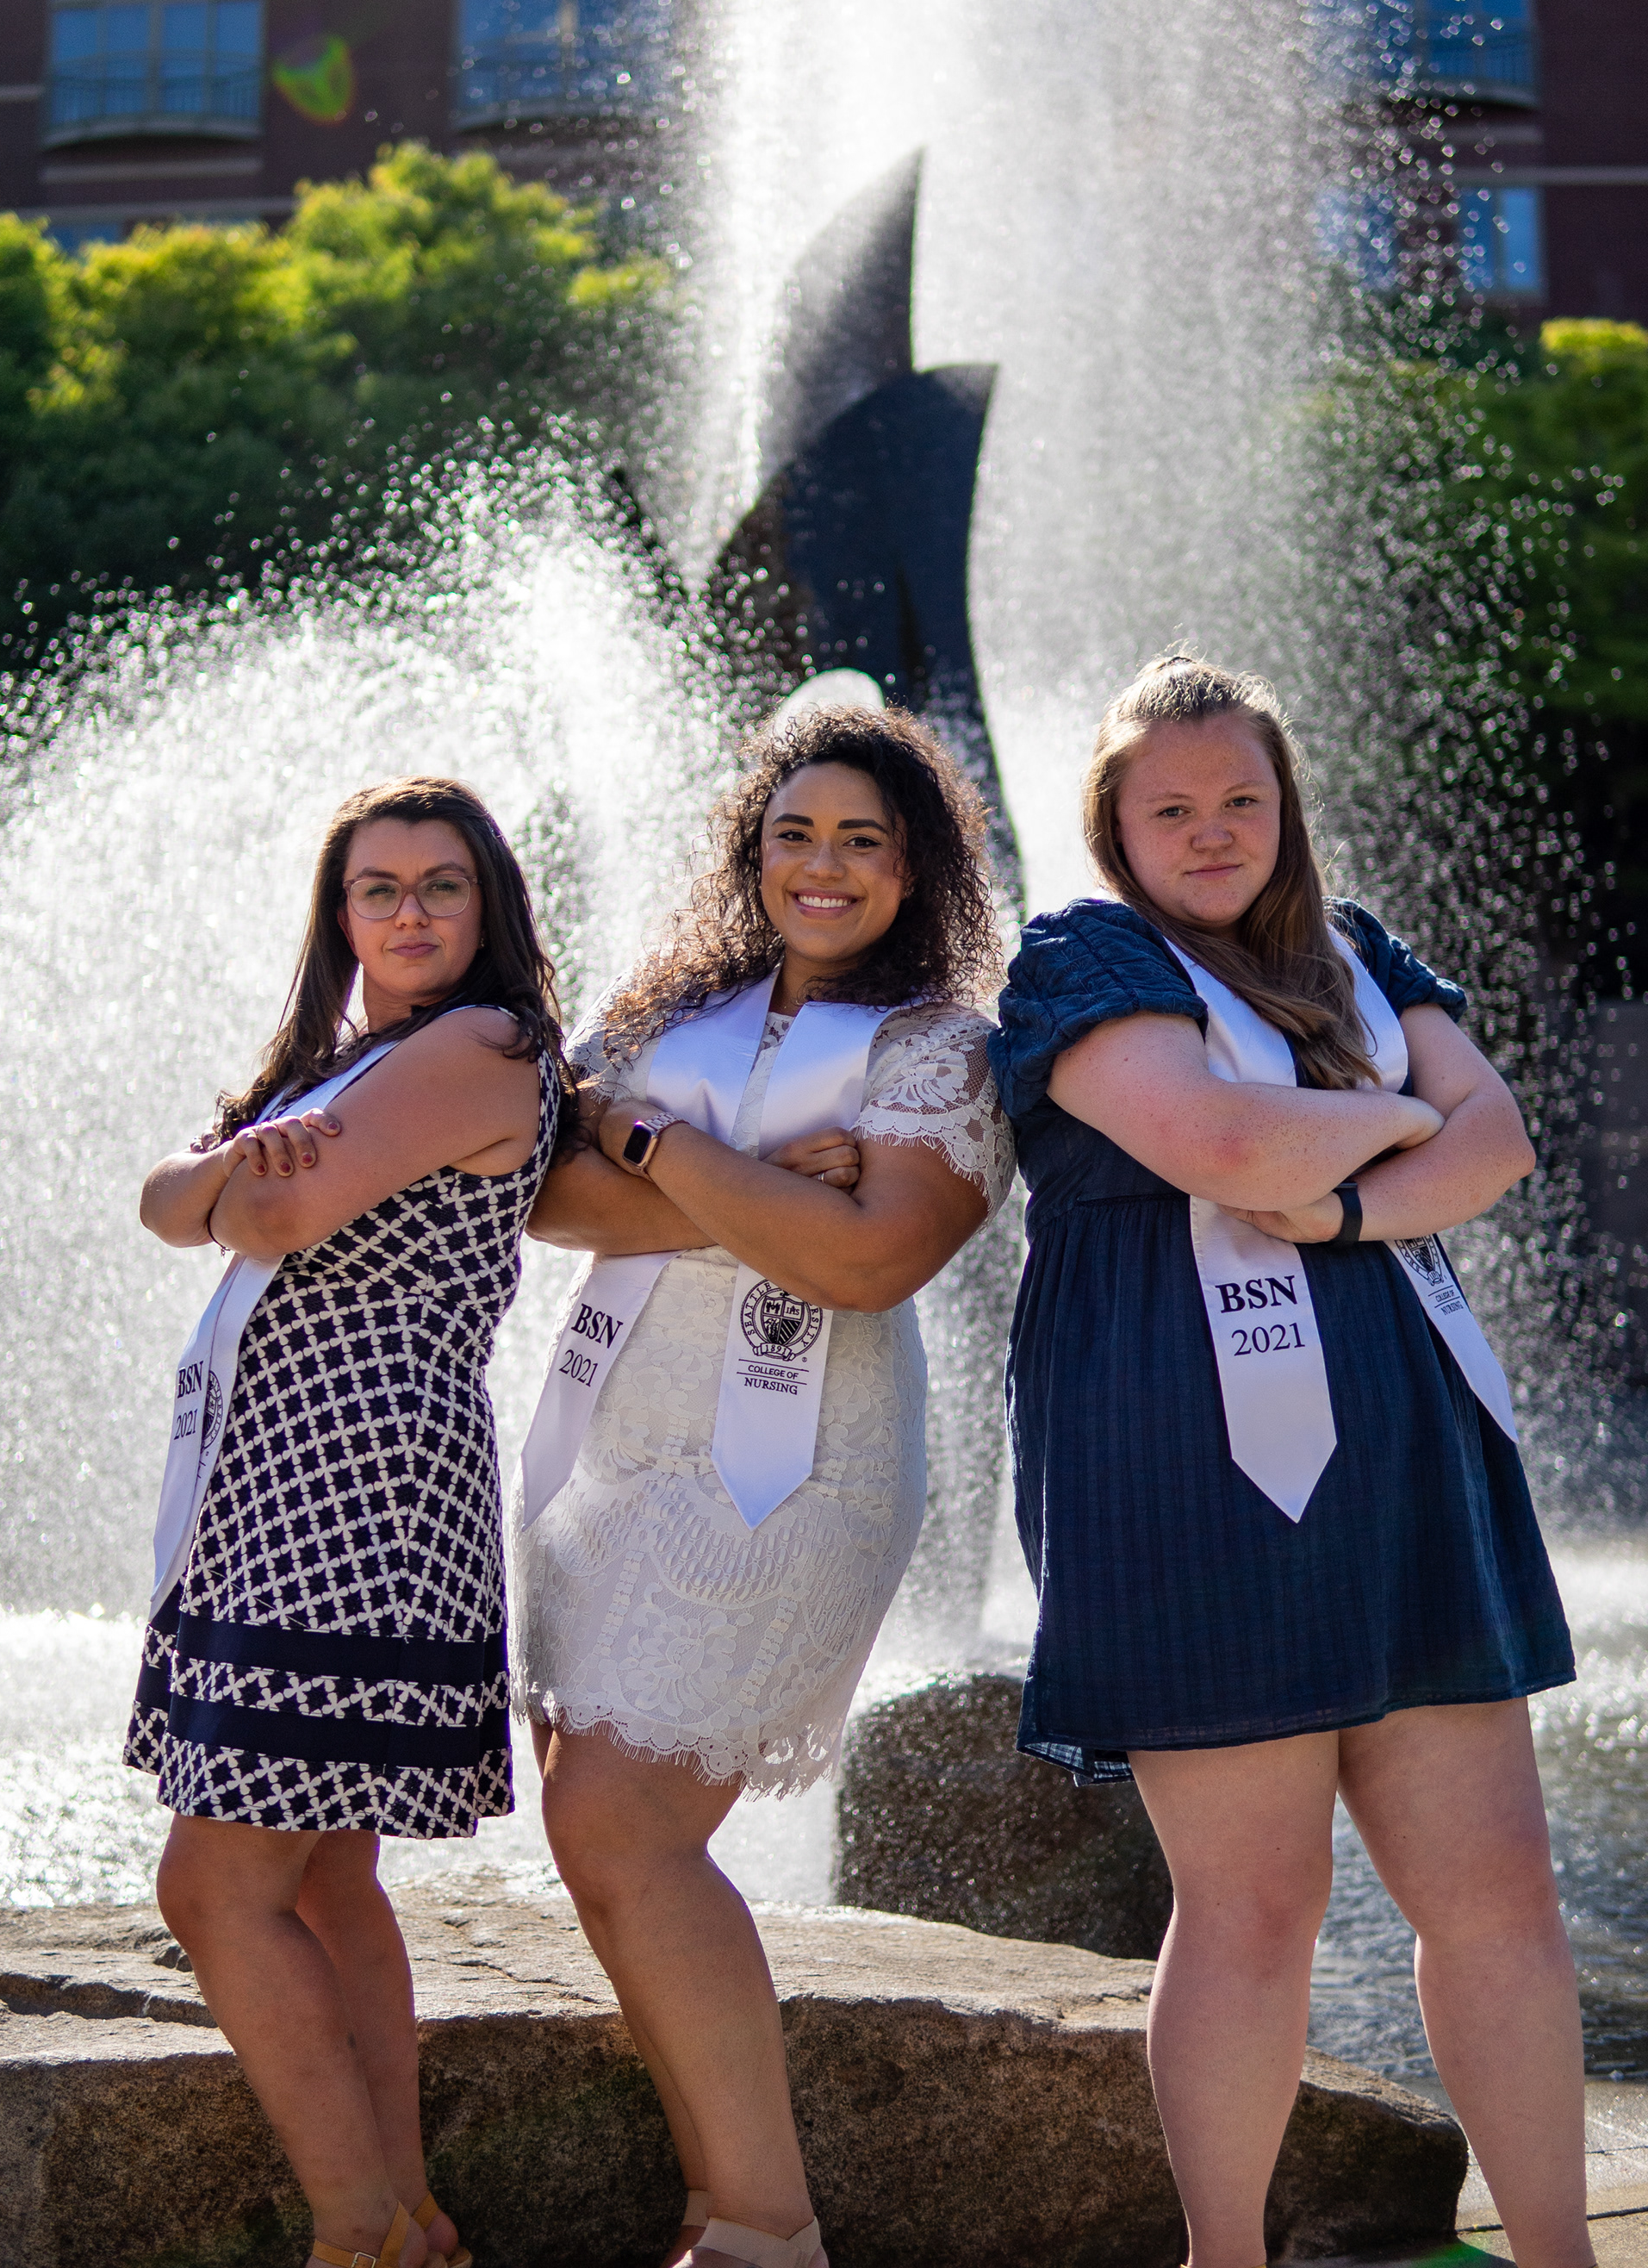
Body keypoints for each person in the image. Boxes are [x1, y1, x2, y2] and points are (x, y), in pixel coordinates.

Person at [988, 655, 1589, 2268]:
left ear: (1286, 807)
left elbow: (1500, 1141)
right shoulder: (1082, 957)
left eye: (1242, 799)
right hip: (1193, 1474)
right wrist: (1399, 1118)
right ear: (1115, 827)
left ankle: (1563, 2254)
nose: (1212, 831)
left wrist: (1336, 1198)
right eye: (1172, 807)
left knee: (1501, 1895)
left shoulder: (1356, 952)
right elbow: (1225, 1145)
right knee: (1256, 1909)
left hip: (1410, 1462)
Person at [513, 703, 1016, 2268]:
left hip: (787, 1476)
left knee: (622, 1823)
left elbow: (866, 1260)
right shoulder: (671, 1012)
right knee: (595, 1828)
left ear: (916, 871)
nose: (824, 864)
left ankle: (767, 2225)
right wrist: (744, 1187)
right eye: (794, 833)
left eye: (865, 840)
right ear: (751, 851)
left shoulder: (941, 1049)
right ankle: (715, 2204)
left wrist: (658, 1148)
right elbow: (545, 1195)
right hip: (612, 1453)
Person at [127, 776, 563, 2268]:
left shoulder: (480, 1043)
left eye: (443, 884)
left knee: (212, 1886)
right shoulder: (335, 1059)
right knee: (323, 1875)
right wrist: (224, 1180)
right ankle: (407, 2215)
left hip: (357, 1488)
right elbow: (164, 1199)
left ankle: (356, 2230)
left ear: (489, 905)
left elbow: (272, 1218)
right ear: (340, 914)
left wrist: (235, 1185)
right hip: (288, 1482)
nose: (410, 911)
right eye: (378, 888)